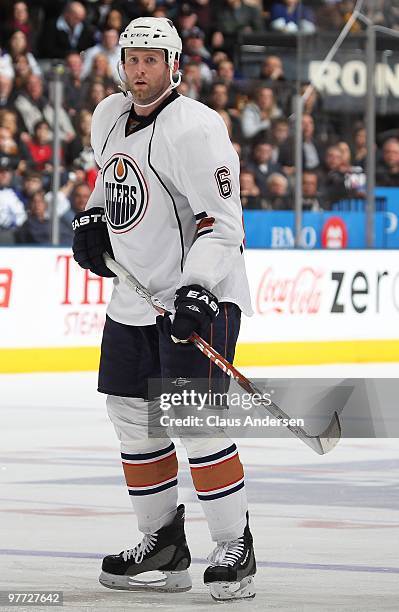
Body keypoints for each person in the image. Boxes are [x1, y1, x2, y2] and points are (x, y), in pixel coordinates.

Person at [71, 16, 256, 602]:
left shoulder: (197, 129)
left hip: (199, 298)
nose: (140, 69)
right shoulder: (107, 115)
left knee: (195, 426)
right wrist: (94, 215)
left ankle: (236, 547)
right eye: (132, 58)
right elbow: (111, 178)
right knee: (131, 416)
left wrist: (197, 288)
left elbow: (223, 226)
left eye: (153, 59)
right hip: (134, 298)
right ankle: (163, 543)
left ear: (175, 65)